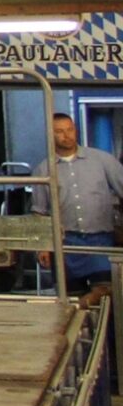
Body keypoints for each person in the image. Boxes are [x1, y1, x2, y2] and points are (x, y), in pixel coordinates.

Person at [34, 112, 123, 298]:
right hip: (66, 244)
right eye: (60, 131)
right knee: (70, 297)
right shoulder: (43, 169)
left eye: (70, 129)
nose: (66, 135)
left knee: (106, 294)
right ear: (50, 135)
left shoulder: (102, 160)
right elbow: (40, 212)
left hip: (100, 240)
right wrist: (42, 246)